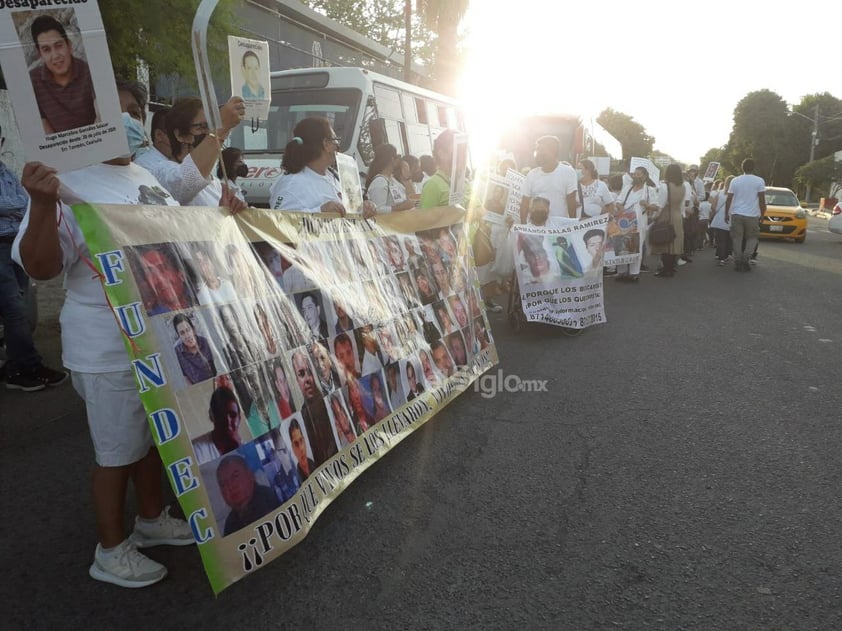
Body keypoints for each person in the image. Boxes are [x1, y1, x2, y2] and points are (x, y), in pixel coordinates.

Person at [11, 80, 245, 587]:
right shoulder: (65, 181)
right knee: (117, 451)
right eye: (115, 115)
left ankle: (151, 519)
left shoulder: (146, 177)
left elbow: (176, 244)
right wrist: (42, 204)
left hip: (156, 337)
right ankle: (111, 549)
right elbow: (41, 266)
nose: (129, 122)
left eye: (135, 112)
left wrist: (224, 219)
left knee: (151, 438)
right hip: (107, 346)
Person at [0, 135, 67, 391]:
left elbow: (26, 200)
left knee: (25, 312)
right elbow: (22, 201)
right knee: (15, 311)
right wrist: (23, 204)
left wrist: (25, 202)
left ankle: (18, 363)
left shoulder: (4, 171)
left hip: (14, 244)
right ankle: (26, 367)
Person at [135, 96, 245, 206]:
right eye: (202, 127)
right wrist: (221, 129)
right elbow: (186, 181)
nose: (209, 133)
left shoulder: (213, 182)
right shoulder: (159, 173)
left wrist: (227, 210)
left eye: (211, 127)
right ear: (180, 135)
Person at [270, 116, 374, 217]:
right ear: (326, 144)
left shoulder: (335, 176)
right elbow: (280, 223)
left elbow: (353, 210)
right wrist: (320, 212)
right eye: (335, 139)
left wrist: (365, 207)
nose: (338, 145)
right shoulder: (290, 184)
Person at [29, 15, 97, 134]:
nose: (55, 56)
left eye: (58, 45)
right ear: (40, 55)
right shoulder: (32, 81)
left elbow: (102, 117)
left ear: (69, 46)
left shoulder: (90, 72)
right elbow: (46, 133)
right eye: (46, 49)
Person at [216, 454, 281, 536]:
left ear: (251, 476)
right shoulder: (230, 523)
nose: (230, 486)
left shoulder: (267, 498)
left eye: (235, 476)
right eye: (223, 484)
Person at [613, 166, 658, 282]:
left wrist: (647, 205)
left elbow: (656, 207)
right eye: (635, 174)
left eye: (639, 174)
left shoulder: (650, 190)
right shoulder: (628, 188)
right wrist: (621, 208)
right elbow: (618, 201)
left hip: (639, 222)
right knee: (622, 244)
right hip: (624, 221)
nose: (636, 176)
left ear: (644, 177)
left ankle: (634, 272)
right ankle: (621, 272)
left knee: (636, 245)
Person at [292, 349, 336, 465]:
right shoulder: (302, 416)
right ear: (297, 381)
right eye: (301, 374)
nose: (307, 379)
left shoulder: (330, 400)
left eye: (309, 372)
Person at [519, 136, 578, 221]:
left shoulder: (568, 172)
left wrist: (573, 227)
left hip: (558, 228)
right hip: (536, 229)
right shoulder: (531, 175)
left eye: (541, 150)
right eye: (536, 150)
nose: (537, 153)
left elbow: (571, 203)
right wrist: (523, 227)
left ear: (553, 152)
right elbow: (525, 202)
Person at [725, 158, 767, 273]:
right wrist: (763, 214)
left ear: (741, 168)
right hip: (752, 215)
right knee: (752, 238)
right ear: (753, 168)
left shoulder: (735, 181)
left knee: (737, 239)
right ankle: (746, 259)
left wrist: (726, 213)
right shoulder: (759, 181)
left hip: (736, 214)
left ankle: (737, 261)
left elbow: (729, 198)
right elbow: (762, 200)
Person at [650, 164, 686, 278]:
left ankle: (666, 269)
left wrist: (655, 216)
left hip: (667, 215)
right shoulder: (683, 186)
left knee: (665, 242)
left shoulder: (665, 187)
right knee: (674, 242)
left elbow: (660, 205)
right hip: (677, 215)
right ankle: (671, 268)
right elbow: (682, 205)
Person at [192, 385, 243, 464]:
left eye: (233, 415)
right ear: (212, 416)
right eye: (221, 415)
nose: (228, 421)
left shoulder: (248, 449)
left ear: (239, 418)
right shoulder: (196, 450)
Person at [365, 144, 417, 214]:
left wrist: (407, 177)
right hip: (387, 224)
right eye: (398, 156)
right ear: (392, 159)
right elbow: (377, 210)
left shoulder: (393, 180)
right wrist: (401, 207)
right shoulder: (380, 181)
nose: (400, 159)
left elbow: (410, 199)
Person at [172, 313, 216, 385]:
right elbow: (185, 378)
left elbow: (215, 368)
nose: (187, 335)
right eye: (182, 333)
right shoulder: (177, 352)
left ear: (193, 329)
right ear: (179, 336)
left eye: (188, 330)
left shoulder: (204, 342)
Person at [420, 130, 456, 209]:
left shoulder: (463, 181)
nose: (463, 156)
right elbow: (426, 219)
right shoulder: (432, 185)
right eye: (457, 151)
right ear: (442, 154)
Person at [709, 177, 734, 265]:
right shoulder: (736, 194)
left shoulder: (719, 193)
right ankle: (727, 254)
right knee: (729, 239)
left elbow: (713, 207)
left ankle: (721, 257)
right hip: (731, 218)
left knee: (720, 239)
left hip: (719, 218)